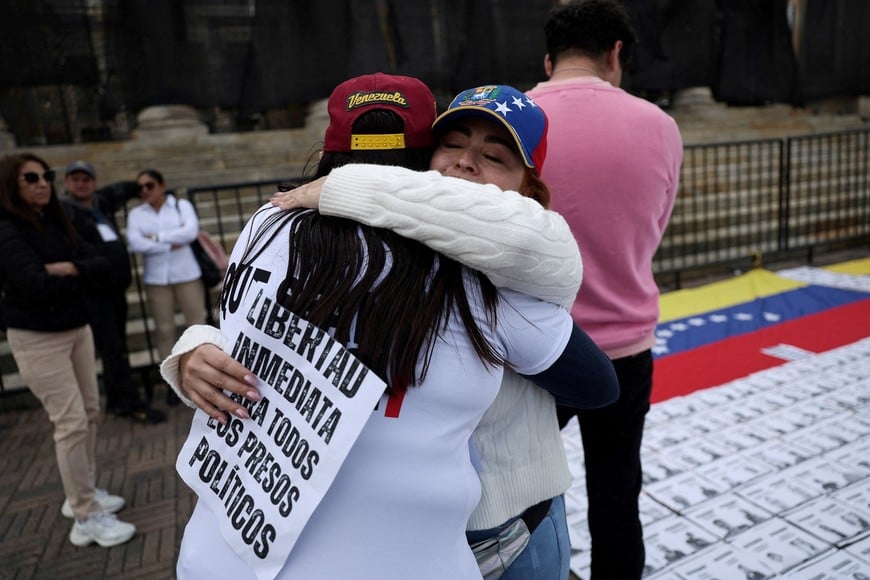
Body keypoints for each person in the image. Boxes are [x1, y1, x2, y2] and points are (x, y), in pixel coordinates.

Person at [166, 83, 619, 579]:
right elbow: (258, 329)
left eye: (493, 156)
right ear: (426, 157)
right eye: (452, 145)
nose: (467, 163)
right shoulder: (295, 233)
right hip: (395, 539)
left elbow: (591, 370)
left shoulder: (498, 277)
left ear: (529, 193)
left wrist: (348, 186)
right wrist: (196, 347)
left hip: (509, 524)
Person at [526, 1, 684, 577]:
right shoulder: (660, 125)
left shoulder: (515, 119)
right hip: (625, 347)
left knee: (517, 496)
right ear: (616, 53)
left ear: (549, 59)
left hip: (535, 347)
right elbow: (653, 228)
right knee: (618, 497)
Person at [0, 152, 136, 548]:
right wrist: (72, 272)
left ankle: (84, 491)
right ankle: (85, 515)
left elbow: (100, 262)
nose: (43, 182)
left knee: (91, 411)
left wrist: (70, 269)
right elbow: (32, 283)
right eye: (31, 177)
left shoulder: (55, 219)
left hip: (76, 327)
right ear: (12, 184)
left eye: (46, 175)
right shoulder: (8, 229)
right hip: (38, 337)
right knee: (71, 422)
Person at [61, 161, 166, 423]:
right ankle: (130, 402)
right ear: (66, 183)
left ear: (94, 183)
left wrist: (151, 189)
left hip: (114, 289)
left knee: (115, 346)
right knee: (113, 348)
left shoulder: (100, 204)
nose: (81, 184)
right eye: (75, 179)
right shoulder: (64, 211)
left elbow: (124, 189)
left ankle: (117, 398)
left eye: (86, 179)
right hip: (93, 291)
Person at [126, 168, 207, 405]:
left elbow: (190, 232)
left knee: (197, 323)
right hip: (157, 279)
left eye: (149, 185)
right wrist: (171, 240)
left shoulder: (181, 206)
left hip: (187, 274)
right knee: (164, 330)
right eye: (140, 187)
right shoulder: (136, 214)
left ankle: (204, 374)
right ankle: (173, 381)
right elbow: (135, 242)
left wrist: (156, 238)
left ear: (162, 185)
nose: (144, 191)